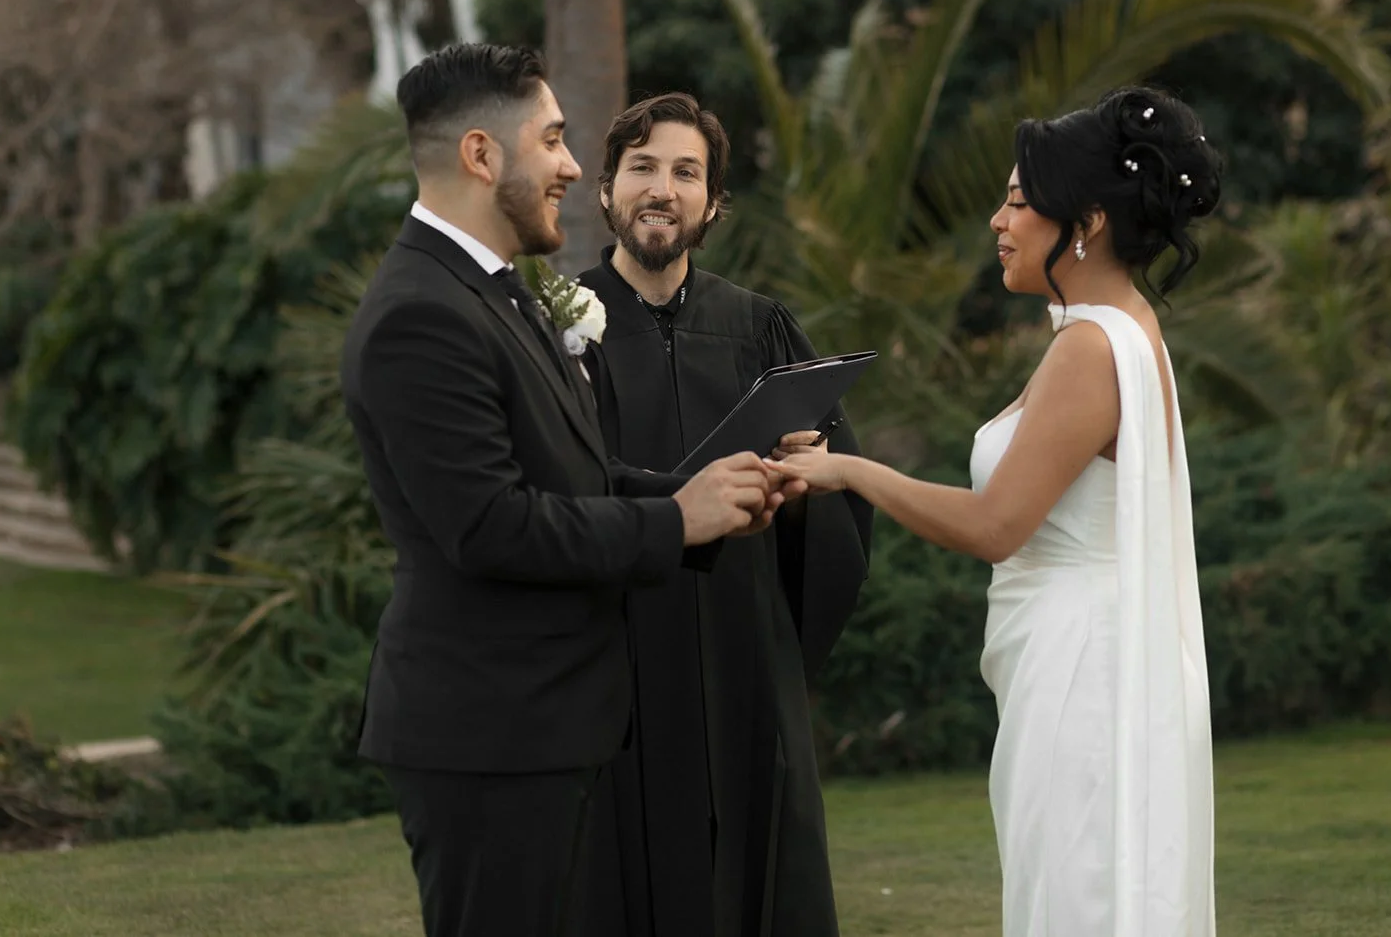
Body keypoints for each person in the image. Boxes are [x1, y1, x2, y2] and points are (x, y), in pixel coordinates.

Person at [339, 45, 801, 937]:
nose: (571, 165)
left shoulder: (498, 293)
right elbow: (493, 526)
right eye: (552, 140)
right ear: (482, 155)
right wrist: (673, 521)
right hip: (489, 734)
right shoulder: (420, 314)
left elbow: (574, 469)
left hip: (548, 727)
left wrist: (706, 494)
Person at [771, 86, 1220, 936]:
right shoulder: (1114, 327)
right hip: (1078, 647)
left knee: (1076, 889)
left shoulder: (1091, 347)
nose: (996, 220)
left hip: (1083, 671)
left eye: (1018, 201)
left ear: (1082, 221)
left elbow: (994, 525)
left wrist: (849, 471)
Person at [570, 92, 873, 937]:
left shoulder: (761, 329)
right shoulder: (556, 329)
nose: (662, 188)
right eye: (642, 167)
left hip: (741, 654)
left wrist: (804, 493)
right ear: (605, 190)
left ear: (713, 204)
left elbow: (840, 494)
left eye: (685, 171)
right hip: (617, 660)